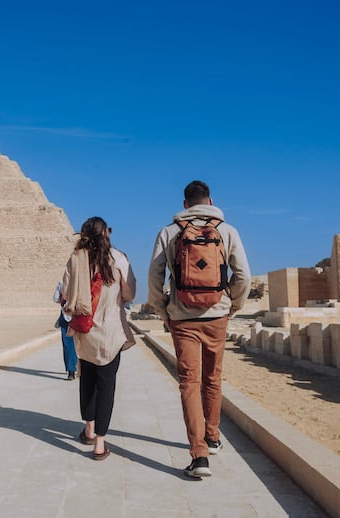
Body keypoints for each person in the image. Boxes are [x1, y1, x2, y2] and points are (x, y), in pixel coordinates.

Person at [148, 180, 251, 477]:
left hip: (182, 317)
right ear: (210, 200)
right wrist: (232, 306)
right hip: (217, 314)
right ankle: (213, 436)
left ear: (185, 204)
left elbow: (155, 278)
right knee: (213, 378)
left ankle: (199, 455)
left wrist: (163, 308)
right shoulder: (227, 230)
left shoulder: (169, 232)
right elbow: (243, 275)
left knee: (189, 383)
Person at [62, 216, 136, 461]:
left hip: (85, 332)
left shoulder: (75, 259)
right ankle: (100, 445)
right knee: (106, 387)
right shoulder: (119, 259)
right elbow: (129, 293)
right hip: (111, 332)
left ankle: (89, 429)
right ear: (107, 233)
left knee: (87, 381)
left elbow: (63, 294)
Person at [52, 281, 78, 380]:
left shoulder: (62, 283)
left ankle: (71, 371)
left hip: (66, 316)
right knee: (80, 343)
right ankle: (79, 367)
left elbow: (55, 298)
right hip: (79, 316)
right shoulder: (81, 281)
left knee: (68, 344)